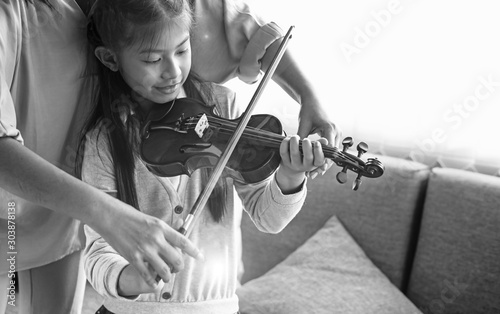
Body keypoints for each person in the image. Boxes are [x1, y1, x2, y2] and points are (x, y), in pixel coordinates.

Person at [0, 0, 338, 313]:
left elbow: (269, 217)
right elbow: (99, 254)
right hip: (25, 233)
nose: (173, 71)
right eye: (152, 60)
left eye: (182, 50)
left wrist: (291, 176)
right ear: (110, 59)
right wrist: (129, 279)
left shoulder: (226, 109)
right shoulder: (104, 141)